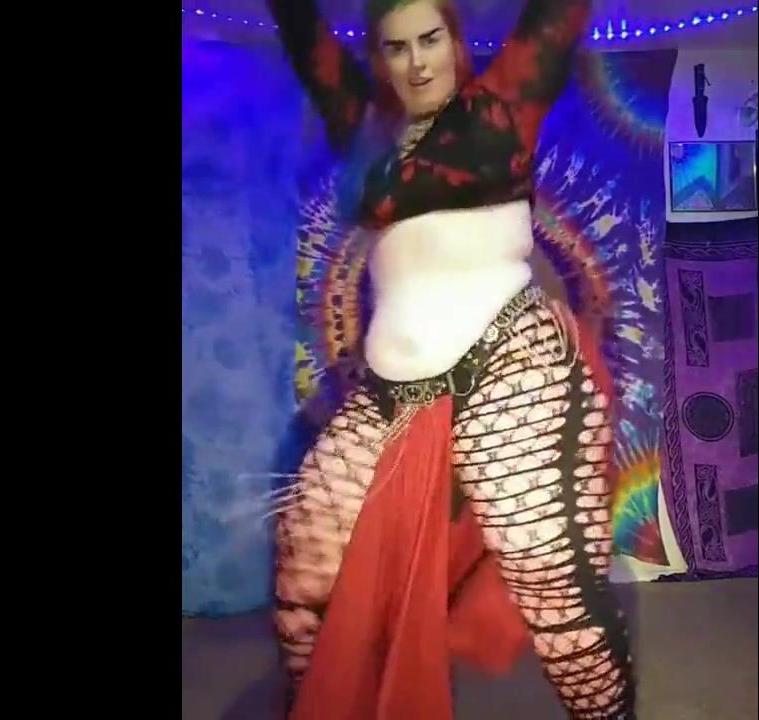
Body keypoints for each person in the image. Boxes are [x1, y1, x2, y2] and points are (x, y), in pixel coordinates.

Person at [267, 1, 635, 719]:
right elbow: (302, 31)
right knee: (306, 570)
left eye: (429, 39)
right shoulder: (365, 126)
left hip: (513, 362)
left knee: (551, 580)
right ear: (379, 56)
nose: (416, 62)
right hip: (388, 393)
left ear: (454, 40)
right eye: (396, 46)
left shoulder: (501, 104)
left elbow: (557, 15)